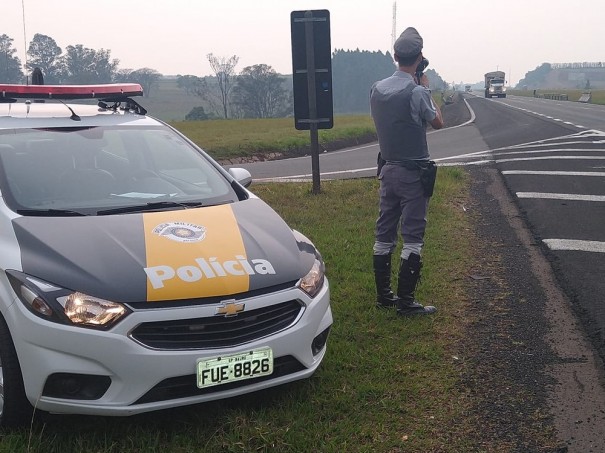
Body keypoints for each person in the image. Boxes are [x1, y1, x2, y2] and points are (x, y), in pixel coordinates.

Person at [369, 27, 444, 316]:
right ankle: (406, 301)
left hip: (387, 170)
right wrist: (426, 88)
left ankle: (384, 295)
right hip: (414, 173)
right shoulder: (416, 92)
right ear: (419, 57)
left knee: (384, 231)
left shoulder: (376, 89)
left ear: (395, 56)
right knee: (413, 235)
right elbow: (437, 122)